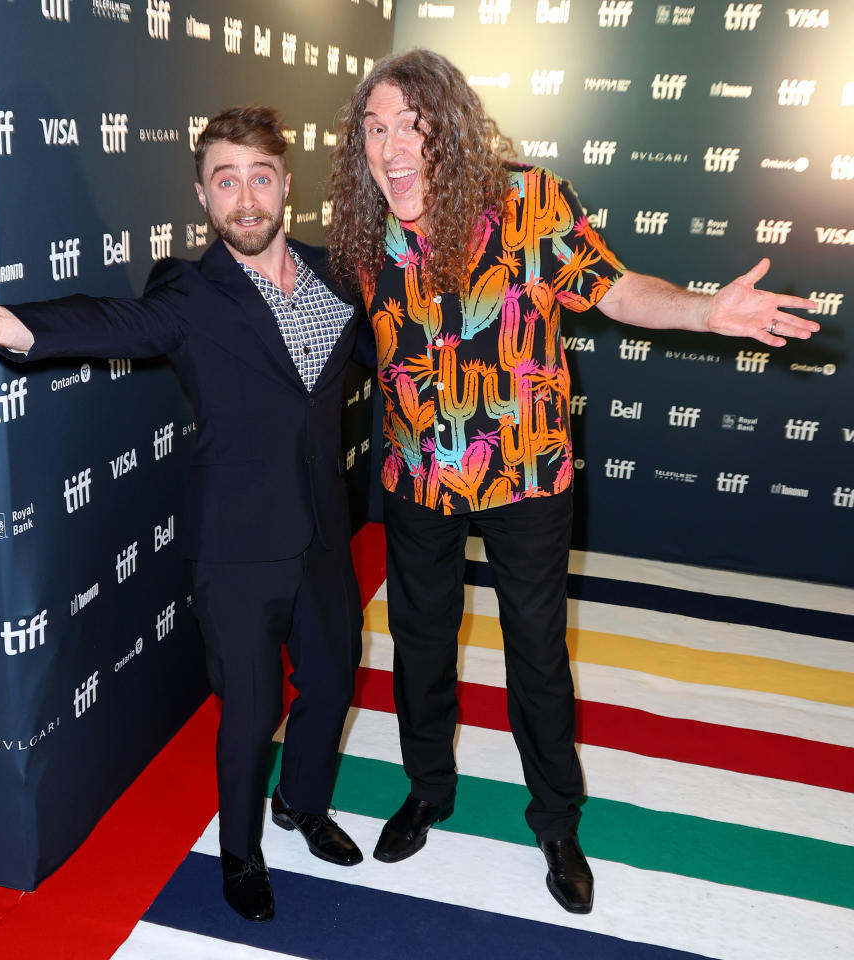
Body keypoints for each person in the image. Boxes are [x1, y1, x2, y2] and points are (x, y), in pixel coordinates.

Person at [327, 49, 819, 915]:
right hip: (415, 476)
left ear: (450, 125)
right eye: (373, 127)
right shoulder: (367, 227)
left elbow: (616, 290)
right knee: (422, 641)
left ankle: (556, 820)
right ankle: (429, 789)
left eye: (411, 123)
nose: (391, 145)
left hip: (526, 475)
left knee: (537, 653)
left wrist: (705, 310)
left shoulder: (527, 201)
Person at [0, 106, 369, 924]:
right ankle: (240, 853)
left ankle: (302, 804)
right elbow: (113, 318)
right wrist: (10, 326)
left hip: (327, 535)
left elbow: (399, 353)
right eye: (226, 181)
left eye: (260, 177)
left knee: (332, 686)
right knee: (253, 709)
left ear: (286, 185)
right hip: (236, 546)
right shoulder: (189, 292)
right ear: (203, 196)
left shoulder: (340, 277)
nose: (246, 197)